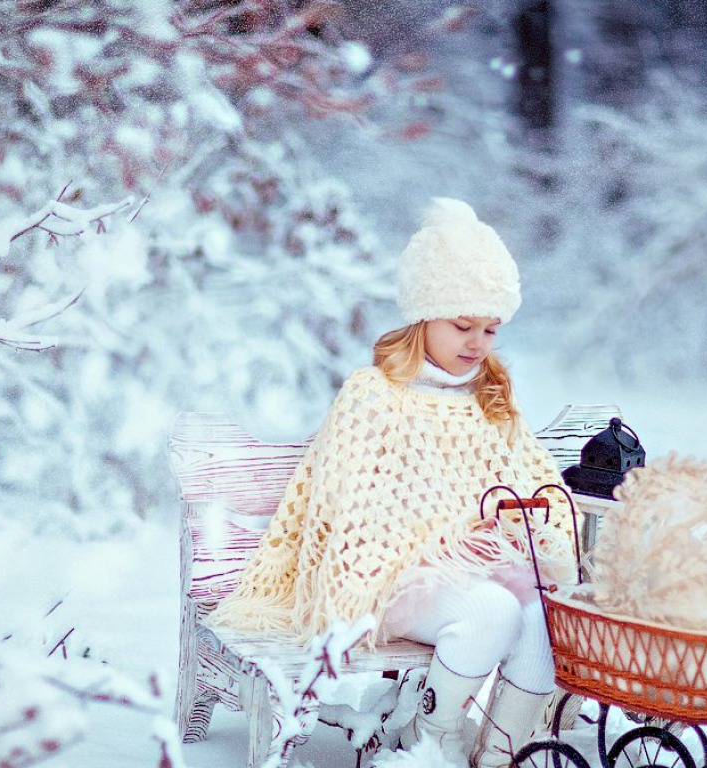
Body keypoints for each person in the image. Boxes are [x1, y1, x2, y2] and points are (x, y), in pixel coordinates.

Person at [209, 197, 578, 767]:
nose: (477, 342)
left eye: (490, 328)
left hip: (477, 572)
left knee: (539, 617)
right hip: (393, 579)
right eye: (462, 324)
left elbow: (535, 486)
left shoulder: (491, 400)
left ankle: (503, 753)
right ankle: (432, 741)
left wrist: (505, 530)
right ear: (423, 316)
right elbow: (352, 506)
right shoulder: (374, 395)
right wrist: (449, 544)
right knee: (491, 611)